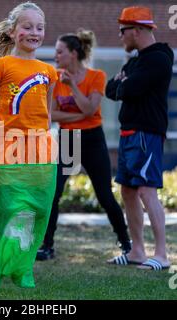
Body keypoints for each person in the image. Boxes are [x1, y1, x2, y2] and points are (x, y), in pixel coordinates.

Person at [0, 2, 58, 296]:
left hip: (40, 150)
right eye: (27, 26)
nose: (34, 32)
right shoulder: (0, 65)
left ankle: (21, 267)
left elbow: (48, 113)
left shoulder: (49, 71)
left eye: (39, 27)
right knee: (5, 209)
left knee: (38, 210)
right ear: (12, 30)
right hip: (5, 147)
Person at [36, 29, 131, 261]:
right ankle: (47, 246)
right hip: (68, 140)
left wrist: (73, 88)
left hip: (92, 139)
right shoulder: (53, 78)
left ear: (73, 54)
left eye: (60, 52)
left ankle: (126, 243)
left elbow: (90, 109)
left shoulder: (96, 76)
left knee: (104, 195)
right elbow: (51, 115)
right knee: (53, 193)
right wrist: (78, 115)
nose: (55, 56)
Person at [106, 6, 173, 270]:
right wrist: (123, 84)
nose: (120, 36)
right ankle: (137, 251)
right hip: (128, 133)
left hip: (146, 134)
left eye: (123, 30)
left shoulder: (158, 58)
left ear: (137, 30)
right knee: (128, 190)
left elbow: (130, 88)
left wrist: (124, 84)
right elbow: (112, 89)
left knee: (146, 189)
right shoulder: (135, 61)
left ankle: (162, 255)